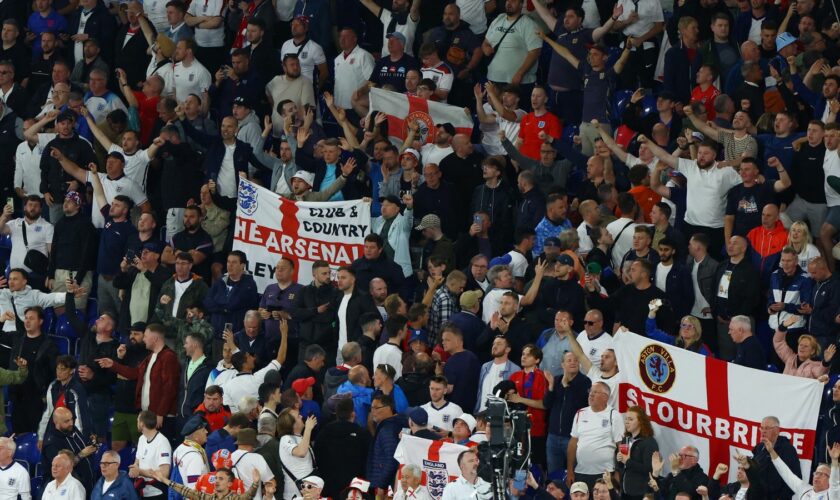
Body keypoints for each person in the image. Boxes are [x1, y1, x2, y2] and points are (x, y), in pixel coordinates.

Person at [566, 381, 623, 492]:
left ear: (605, 397)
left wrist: (618, 472)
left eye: (596, 392)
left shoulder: (614, 415)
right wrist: (570, 470)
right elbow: (573, 443)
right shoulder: (580, 413)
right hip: (581, 472)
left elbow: (621, 446)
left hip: (605, 473)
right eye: (591, 391)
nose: (591, 394)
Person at [543, 352, 591, 475]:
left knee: (574, 474)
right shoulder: (556, 380)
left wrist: (567, 386)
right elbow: (547, 404)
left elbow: (581, 405)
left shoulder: (585, 381)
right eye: (569, 360)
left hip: (573, 438)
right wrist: (551, 386)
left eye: (575, 360)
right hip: (553, 436)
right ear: (562, 364)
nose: (573, 362)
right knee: (554, 476)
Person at [313, 397, 370, 498]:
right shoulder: (362, 433)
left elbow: (316, 455)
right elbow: (368, 460)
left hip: (329, 486)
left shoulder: (324, 432)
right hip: (354, 488)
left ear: (337, 414)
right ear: (353, 414)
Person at [752, 415, 802, 499]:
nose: (763, 431)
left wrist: (781, 498)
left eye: (767, 428)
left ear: (777, 431)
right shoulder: (759, 447)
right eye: (762, 428)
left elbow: (796, 478)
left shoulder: (788, 450)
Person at [616, 406, 658, 499]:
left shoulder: (649, 442)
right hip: (624, 492)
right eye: (626, 419)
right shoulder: (625, 440)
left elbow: (649, 470)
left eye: (631, 419)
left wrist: (628, 461)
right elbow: (621, 467)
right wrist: (619, 460)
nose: (626, 422)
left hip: (640, 494)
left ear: (640, 421)